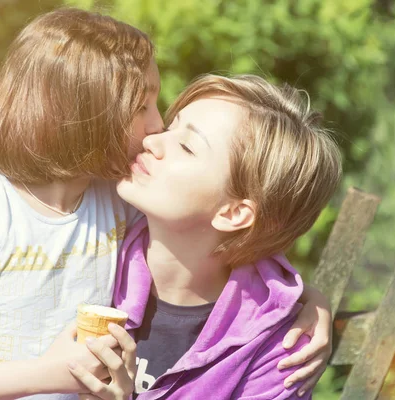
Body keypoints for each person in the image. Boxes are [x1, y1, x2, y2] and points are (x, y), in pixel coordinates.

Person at [0, 8, 331, 400]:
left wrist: (310, 303)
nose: (155, 130)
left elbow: (246, 243)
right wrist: (48, 375)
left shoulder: (119, 208)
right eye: (145, 108)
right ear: (82, 115)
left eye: (186, 144)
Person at [69, 74, 342, 399]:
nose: (152, 141)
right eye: (171, 127)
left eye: (186, 147)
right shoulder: (92, 230)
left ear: (233, 214)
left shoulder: (278, 353)